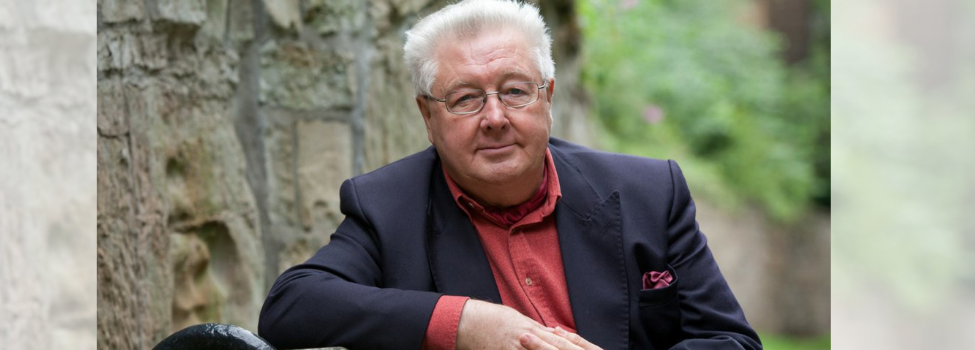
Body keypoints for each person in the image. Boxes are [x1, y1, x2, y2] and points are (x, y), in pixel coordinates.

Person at [258, 1, 761, 349]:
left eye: (516, 91)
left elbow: (731, 340)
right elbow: (292, 305)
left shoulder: (651, 192)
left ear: (549, 96)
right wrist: (464, 323)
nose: (495, 117)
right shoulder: (386, 207)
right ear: (427, 117)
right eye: (465, 99)